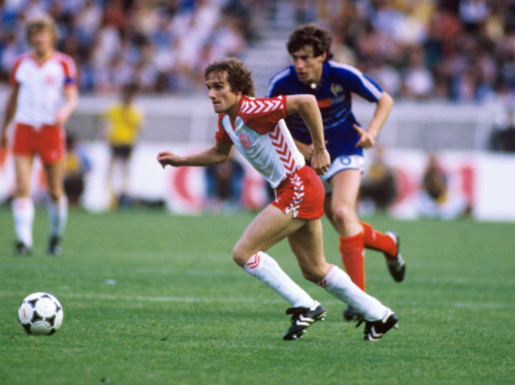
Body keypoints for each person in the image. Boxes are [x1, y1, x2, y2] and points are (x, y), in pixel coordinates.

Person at [157, 58, 398, 341]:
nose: (211, 93)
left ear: (237, 89)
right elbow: (220, 153)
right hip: (297, 188)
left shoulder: (252, 108)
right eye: (209, 87)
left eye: (219, 87)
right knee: (314, 269)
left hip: (298, 186)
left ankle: (306, 305)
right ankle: (380, 315)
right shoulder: (227, 119)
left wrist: (320, 149)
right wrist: (181, 160)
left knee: (243, 253)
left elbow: (307, 101)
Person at [266, 24, 405, 321]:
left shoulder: (342, 74)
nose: (299, 65)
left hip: (344, 150)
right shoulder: (281, 83)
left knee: (343, 213)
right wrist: (300, 146)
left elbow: (385, 99)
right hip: (310, 160)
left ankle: (359, 300)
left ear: (323, 57)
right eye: (295, 58)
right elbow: (268, 122)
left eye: (305, 58)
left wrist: (371, 132)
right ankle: (389, 244)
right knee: (344, 223)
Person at [0, 14, 79, 256]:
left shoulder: (63, 63)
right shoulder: (20, 64)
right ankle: (24, 242)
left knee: (54, 190)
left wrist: (65, 110)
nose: (38, 39)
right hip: (24, 127)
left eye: (42, 34)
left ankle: (55, 237)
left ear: (51, 36)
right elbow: (12, 99)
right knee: (22, 186)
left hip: (50, 129)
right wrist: (5, 127)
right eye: (34, 34)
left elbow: (72, 96)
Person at [102, 82, 144, 209]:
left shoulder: (135, 110)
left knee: (125, 170)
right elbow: (102, 120)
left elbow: (138, 127)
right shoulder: (114, 108)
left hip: (128, 142)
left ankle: (124, 194)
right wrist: (104, 135)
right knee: (112, 169)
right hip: (115, 141)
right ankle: (110, 195)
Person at [359, 145, 398, 213]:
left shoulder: (388, 166)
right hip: (373, 190)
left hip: (384, 191)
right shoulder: (372, 165)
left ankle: (385, 206)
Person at [63, 133, 91, 208]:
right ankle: (68, 204)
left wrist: (78, 172)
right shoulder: (62, 154)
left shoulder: (79, 153)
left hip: (77, 180)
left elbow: (88, 167)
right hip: (66, 181)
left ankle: (77, 204)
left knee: (78, 182)